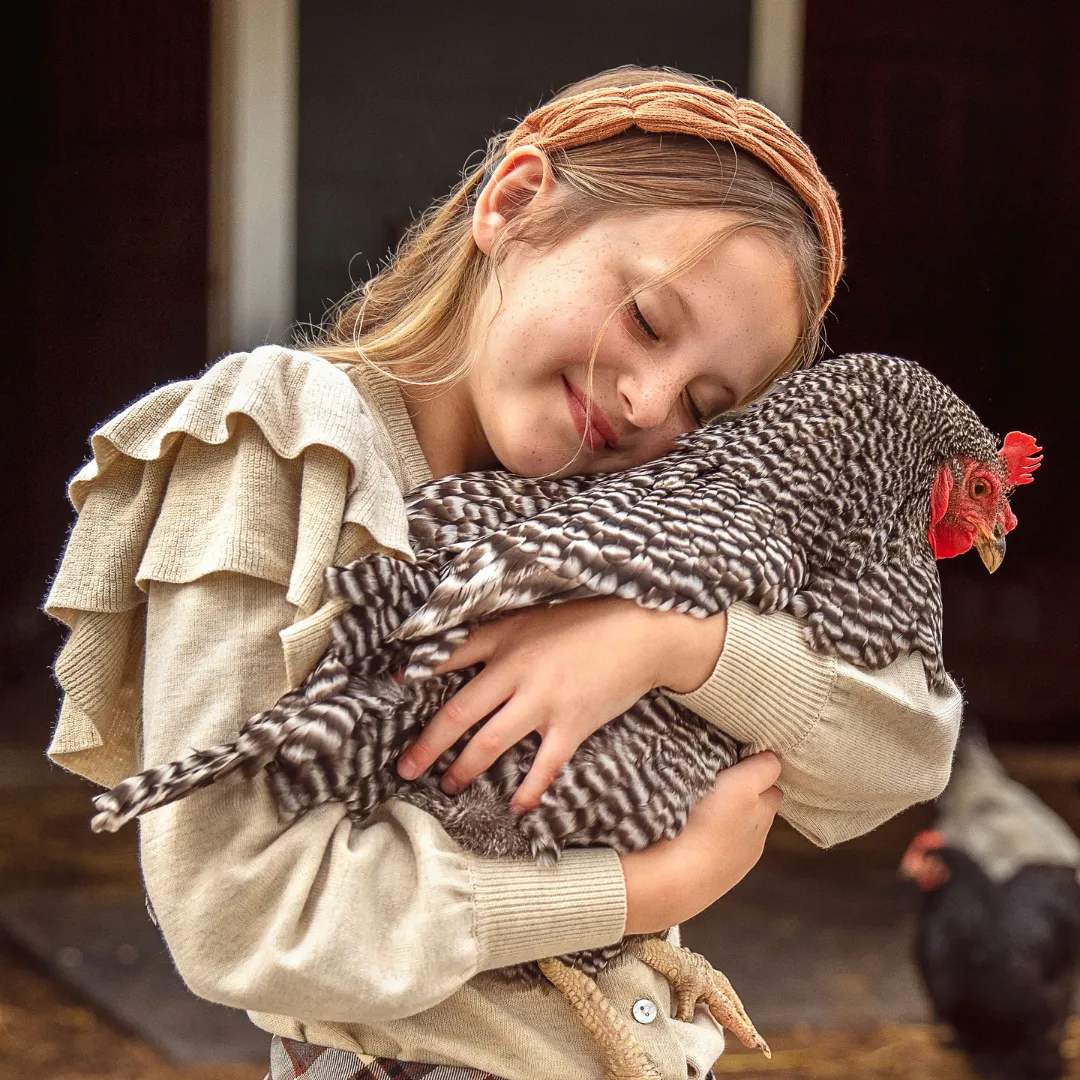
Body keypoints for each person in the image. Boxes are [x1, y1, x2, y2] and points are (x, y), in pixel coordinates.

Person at [44, 67, 961, 1080]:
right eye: (650, 321)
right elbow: (240, 912)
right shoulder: (290, 436)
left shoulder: (637, 503)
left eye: (706, 402)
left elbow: (902, 749)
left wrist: (669, 644)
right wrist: (646, 890)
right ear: (514, 203)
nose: (651, 402)